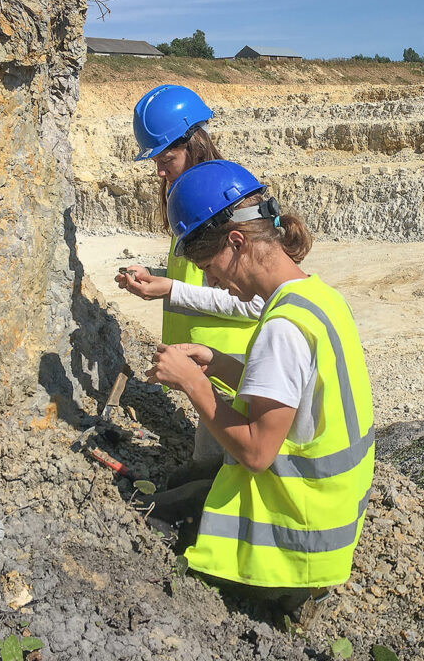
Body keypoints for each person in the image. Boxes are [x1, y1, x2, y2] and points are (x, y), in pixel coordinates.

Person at [144, 160, 375, 613]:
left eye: (209, 267)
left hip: (292, 547)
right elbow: (295, 394)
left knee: (157, 522)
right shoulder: (318, 297)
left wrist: (193, 384)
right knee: (181, 491)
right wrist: (217, 363)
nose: (211, 282)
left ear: (237, 242)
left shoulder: (282, 330)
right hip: (328, 522)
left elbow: (255, 452)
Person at [114, 85, 260, 483]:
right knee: (209, 464)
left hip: (230, 367)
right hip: (206, 361)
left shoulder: (226, 201)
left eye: (167, 159)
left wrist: (170, 291)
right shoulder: (193, 199)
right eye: (155, 161)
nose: (159, 171)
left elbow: (254, 303)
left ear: (194, 146)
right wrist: (157, 276)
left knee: (216, 472)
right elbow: (198, 274)